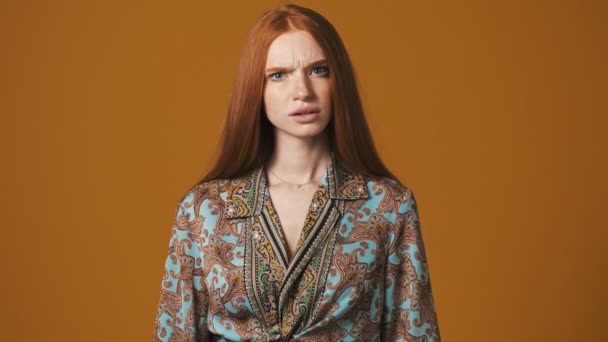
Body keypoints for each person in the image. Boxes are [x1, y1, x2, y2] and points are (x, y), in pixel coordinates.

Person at [153, 3, 441, 341]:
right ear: (255, 89)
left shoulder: (388, 207)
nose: (302, 91)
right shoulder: (204, 210)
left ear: (339, 81)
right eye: (279, 75)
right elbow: (176, 333)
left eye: (319, 70)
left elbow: (415, 333)